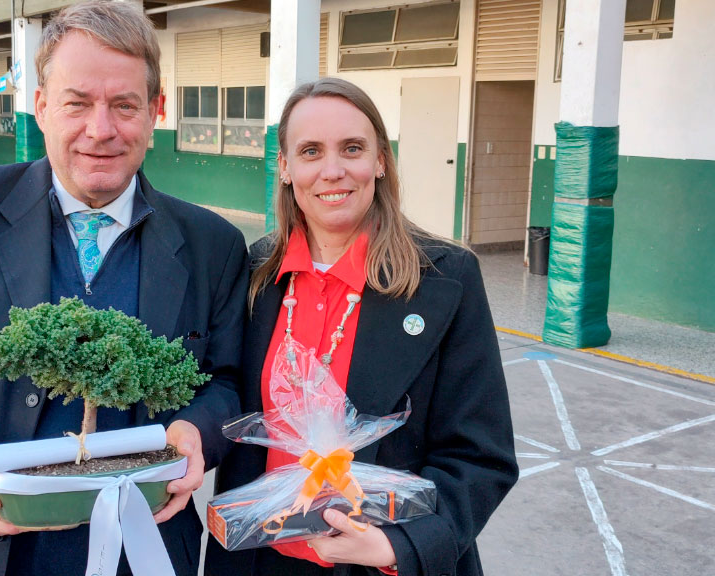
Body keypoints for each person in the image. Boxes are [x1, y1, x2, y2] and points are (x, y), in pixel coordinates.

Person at [0, 2, 247, 575]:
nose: (101, 129)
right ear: (41, 106)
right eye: (77, 103)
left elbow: (226, 381)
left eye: (124, 105)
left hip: (144, 545)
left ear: (156, 111)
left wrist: (196, 433)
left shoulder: (212, 243)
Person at [204, 78, 518, 576]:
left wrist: (402, 546)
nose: (333, 170)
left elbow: (482, 455)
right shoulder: (256, 273)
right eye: (310, 151)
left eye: (352, 148)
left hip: (383, 564)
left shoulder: (445, 278)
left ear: (380, 161)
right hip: (259, 558)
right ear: (285, 168)